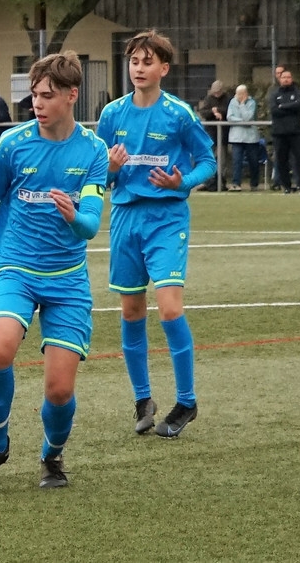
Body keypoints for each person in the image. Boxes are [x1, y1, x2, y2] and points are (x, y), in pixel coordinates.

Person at [0, 51, 108, 490]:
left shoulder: (93, 151)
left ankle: (51, 456)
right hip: (16, 271)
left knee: (59, 390)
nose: (37, 104)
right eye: (35, 95)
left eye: (47, 95)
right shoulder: (12, 144)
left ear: (72, 95)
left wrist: (73, 217)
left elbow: (91, 225)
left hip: (68, 280)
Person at [96, 29, 215, 439]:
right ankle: (143, 400)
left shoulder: (179, 113)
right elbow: (99, 175)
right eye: (134, 61)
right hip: (125, 219)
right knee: (131, 311)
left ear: (164, 68)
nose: (139, 68)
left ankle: (187, 401)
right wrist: (111, 169)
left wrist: (183, 182)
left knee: (169, 309)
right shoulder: (112, 114)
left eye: (148, 62)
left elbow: (208, 161)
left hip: (167, 219)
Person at [268, 69, 300, 195]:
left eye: (288, 77)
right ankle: (286, 186)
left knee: (298, 159)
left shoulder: (297, 92)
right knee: (281, 160)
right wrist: (290, 107)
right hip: (279, 133)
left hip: (295, 132)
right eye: (283, 77)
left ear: (291, 79)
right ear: (280, 79)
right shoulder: (275, 94)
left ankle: (299, 185)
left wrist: (282, 106)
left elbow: (298, 106)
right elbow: (274, 110)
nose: (286, 79)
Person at [196, 80, 230, 191]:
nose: (216, 94)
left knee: (222, 159)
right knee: (209, 158)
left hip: (223, 134)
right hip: (210, 133)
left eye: (218, 92)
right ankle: (208, 182)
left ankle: (221, 182)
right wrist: (212, 112)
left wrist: (219, 111)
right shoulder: (208, 99)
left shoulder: (227, 99)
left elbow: (229, 111)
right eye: (214, 92)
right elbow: (203, 112)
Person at [226, 84, 261, 191]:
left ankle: (254, 184)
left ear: (246, 94)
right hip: (236, 137)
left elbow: (248, 117)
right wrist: (242, 121)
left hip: (251, 138)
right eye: (237, 93)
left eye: (241, 94)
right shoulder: (232, 102)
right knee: (236, 161)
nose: (239, 96)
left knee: (253, 161)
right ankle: (236, 183)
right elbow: (229, 117)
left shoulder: (252, 102)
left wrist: (242, 105)